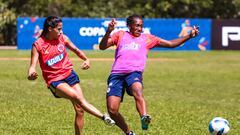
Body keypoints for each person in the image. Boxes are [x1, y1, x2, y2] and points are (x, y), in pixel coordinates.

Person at [99, 14, 199, 135]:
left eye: (141, 26)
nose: (140, 28)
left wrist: (189, 36)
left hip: (134, 73)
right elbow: (102, 46)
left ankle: (144, 117)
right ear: (129, 25)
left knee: (137, 89)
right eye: (137, 25)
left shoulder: (147, 38)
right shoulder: (120, 34)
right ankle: (129, 132)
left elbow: (171, 44)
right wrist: (108, 31)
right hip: (116, 74)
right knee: (112, 111)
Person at [27, 16, 115, 135]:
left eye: (61, 28)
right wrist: (31, 73)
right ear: (49, 29)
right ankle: (103, 117)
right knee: (77, 97)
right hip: (55, 80)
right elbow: (32, 65)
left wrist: (86, 59)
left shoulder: (63, 38)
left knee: (80, 109)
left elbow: (77, 50)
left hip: (70, 75)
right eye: (58, 29)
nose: (61, 31)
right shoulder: (38, 44)